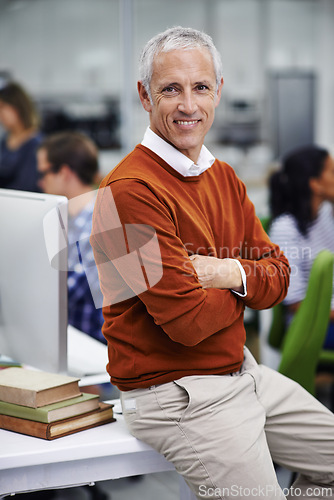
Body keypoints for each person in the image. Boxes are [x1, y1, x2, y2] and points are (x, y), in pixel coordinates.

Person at [91, 27, 334, 499]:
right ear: (145, 95)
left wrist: (227, 272)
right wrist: (248, 284)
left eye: (200, 87)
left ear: (218, 91)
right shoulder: (127, 194)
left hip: (241, 372)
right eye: (170, 89)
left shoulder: (223, 177)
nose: (188, 105)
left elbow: (280, 277)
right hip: (176, 394)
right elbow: (185, 322)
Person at [37, 131, 105, 344]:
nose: (40, 183)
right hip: (72, 343)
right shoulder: (70, 220)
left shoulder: (96, 225)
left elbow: (60, 295)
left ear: (64, 173)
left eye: (44, 173)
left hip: (96, 354)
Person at [269, 145, 334, 349]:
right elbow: (295, 303)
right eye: (332, 172)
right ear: (315, 184)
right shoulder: (285, 229)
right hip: (312, 325)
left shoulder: (324, 216)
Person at [0, 81, 41, 192]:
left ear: (17, 107)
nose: (1, 114)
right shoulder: (5, 140)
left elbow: (26, 185)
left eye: (3, 107)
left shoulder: (36, 143)